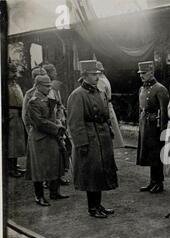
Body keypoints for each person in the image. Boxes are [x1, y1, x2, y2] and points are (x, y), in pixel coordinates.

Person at [67, 60, 118, 218]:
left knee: (100, 173)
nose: (97, 77)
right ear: (84, 76)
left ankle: (98, 205)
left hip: (102, 138)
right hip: (89, 139)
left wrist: (109, 130)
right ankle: (92, 208)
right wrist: (81, 143)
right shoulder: (77, 95)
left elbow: (106, 115)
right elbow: (75, 123)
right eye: (93, 74)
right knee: (92, 174)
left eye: (98, 74)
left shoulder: (99, 92)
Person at [25, 75, 69, 205]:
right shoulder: (33, 101)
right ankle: (39, 196)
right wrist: (57, 128)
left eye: (50, 85)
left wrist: (58, 122)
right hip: (39, 138)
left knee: (55, 162)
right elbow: (39, 122)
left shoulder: (48, 98)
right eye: (46, 86)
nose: (49, 88)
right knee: (39, 168)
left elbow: (52, 115)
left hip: (51, 135)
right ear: (38, 86)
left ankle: (54, 193)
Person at [136, 61, 170, 193]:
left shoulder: (160, 89)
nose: (141, 76)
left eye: (144, 73)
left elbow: (164, 111)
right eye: (140, 73)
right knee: (149, 154)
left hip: (155, 126)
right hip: (145, 125)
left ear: (151, 72)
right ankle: (152, 181)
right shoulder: (142, 88)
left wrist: (163, 130)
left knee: (156, 155)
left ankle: (159, 182)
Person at [43, 63, 71, 186]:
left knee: (62, 149)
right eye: (53, 71)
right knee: (54, 151)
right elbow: (51, 107)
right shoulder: (49, 89)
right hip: (54, 122)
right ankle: (48, 179)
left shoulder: (55, 87)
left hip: (60, 120)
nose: (56, 72)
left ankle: (58, 176)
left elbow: (58, 104)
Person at [96, 60, 125, 149]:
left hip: (105, 107)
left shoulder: (100, 81)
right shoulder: (104, 78)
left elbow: (100, 97)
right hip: (108, 106)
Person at [7, 63, 26, 178]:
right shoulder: (5, 86)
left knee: (17, 143)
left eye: (15, 72)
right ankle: (10, 168)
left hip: (18, 115)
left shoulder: (15, 85)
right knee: (11, 143)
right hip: (10, 115)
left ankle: (15, 165)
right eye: (12, 72)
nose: (15, 75)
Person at [22, 66, 48, 133]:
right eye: (40, 77)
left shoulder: (51, 91)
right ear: (35, 80)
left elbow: (59, 106)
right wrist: (30, 132)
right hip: (37, 131)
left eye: (45, 76)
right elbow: (26, 116)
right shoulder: (29, 94)